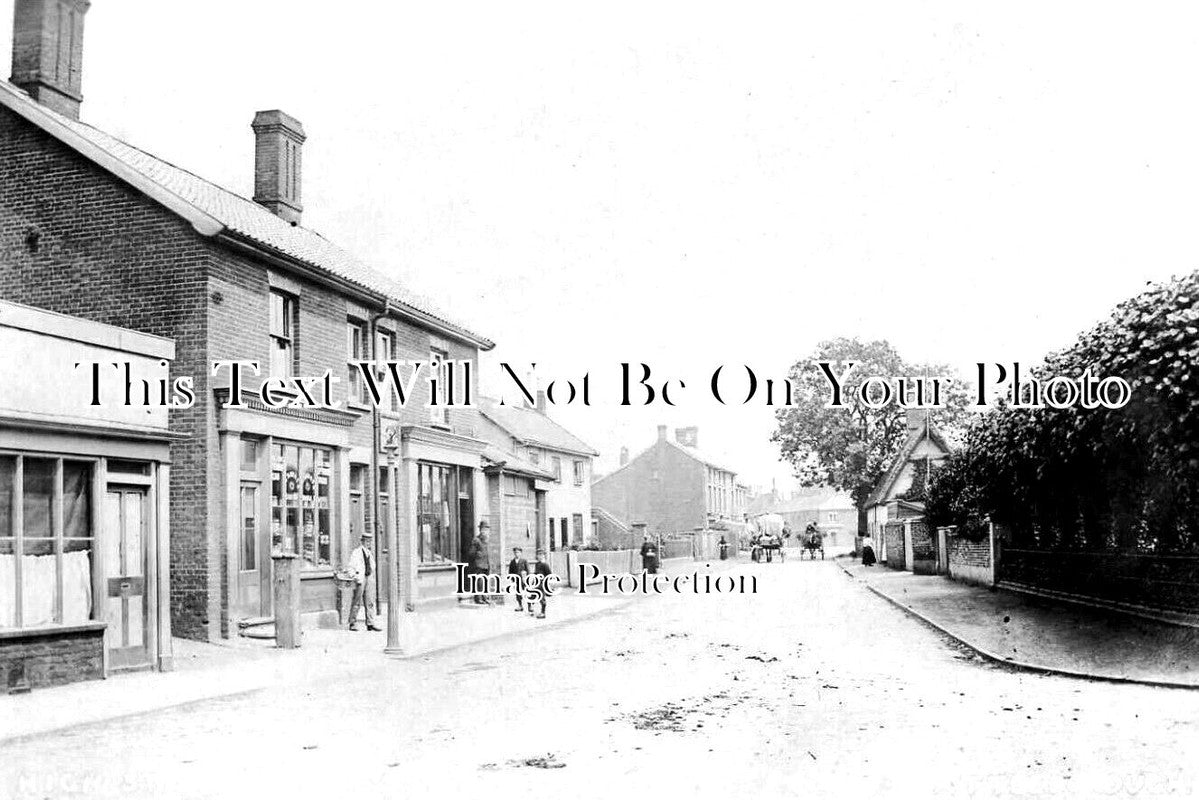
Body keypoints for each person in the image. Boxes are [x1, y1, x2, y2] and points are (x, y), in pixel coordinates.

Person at [348, 532, 382, 631]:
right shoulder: (356, 552)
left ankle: (370, 623)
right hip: (360, 578)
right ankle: (352, 623)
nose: (368, 543)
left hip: (369, 578)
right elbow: (351, 566)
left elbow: (372, 565)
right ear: (362, 541)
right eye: (366, 541)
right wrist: (354, 576)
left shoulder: (369, 553)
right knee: (357, 601)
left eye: (369, 541)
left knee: (370, 601)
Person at [468, 526, 492, 604]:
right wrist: (477, 554)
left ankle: (484, 598)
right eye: (483, 530)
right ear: (480, 530)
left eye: (486, 530)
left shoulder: (486, 541)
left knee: (484, 581)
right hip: (478, 564)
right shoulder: (476, 540)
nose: (485, 532)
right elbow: (471, 553)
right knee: (480, 581)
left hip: (486, 564)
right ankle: (478, 598)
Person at [532, 549, 553, 619]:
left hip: (542, 584)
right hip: (536, 584)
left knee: (542, 598)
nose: (540, 556)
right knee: (533, 596)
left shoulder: (545, 565)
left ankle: (543, 613)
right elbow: (535, 574)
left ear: (544, 555)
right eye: (538, 554)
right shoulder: (537, 564)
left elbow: (549, 575)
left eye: (541, 554)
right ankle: (531, 609)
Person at [507, 547, 529, 613]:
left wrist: (527, 579)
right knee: (518, 593)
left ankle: (529, 606)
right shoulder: (512, 562)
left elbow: (527, 570)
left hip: (523, 580)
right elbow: (510, 572)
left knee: (527, 593)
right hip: (516, 580)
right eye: (515, 552)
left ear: (521, 553)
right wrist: (512, 580)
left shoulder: (524, 561)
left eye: (518, 552)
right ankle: (520, 605)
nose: (517, 554)